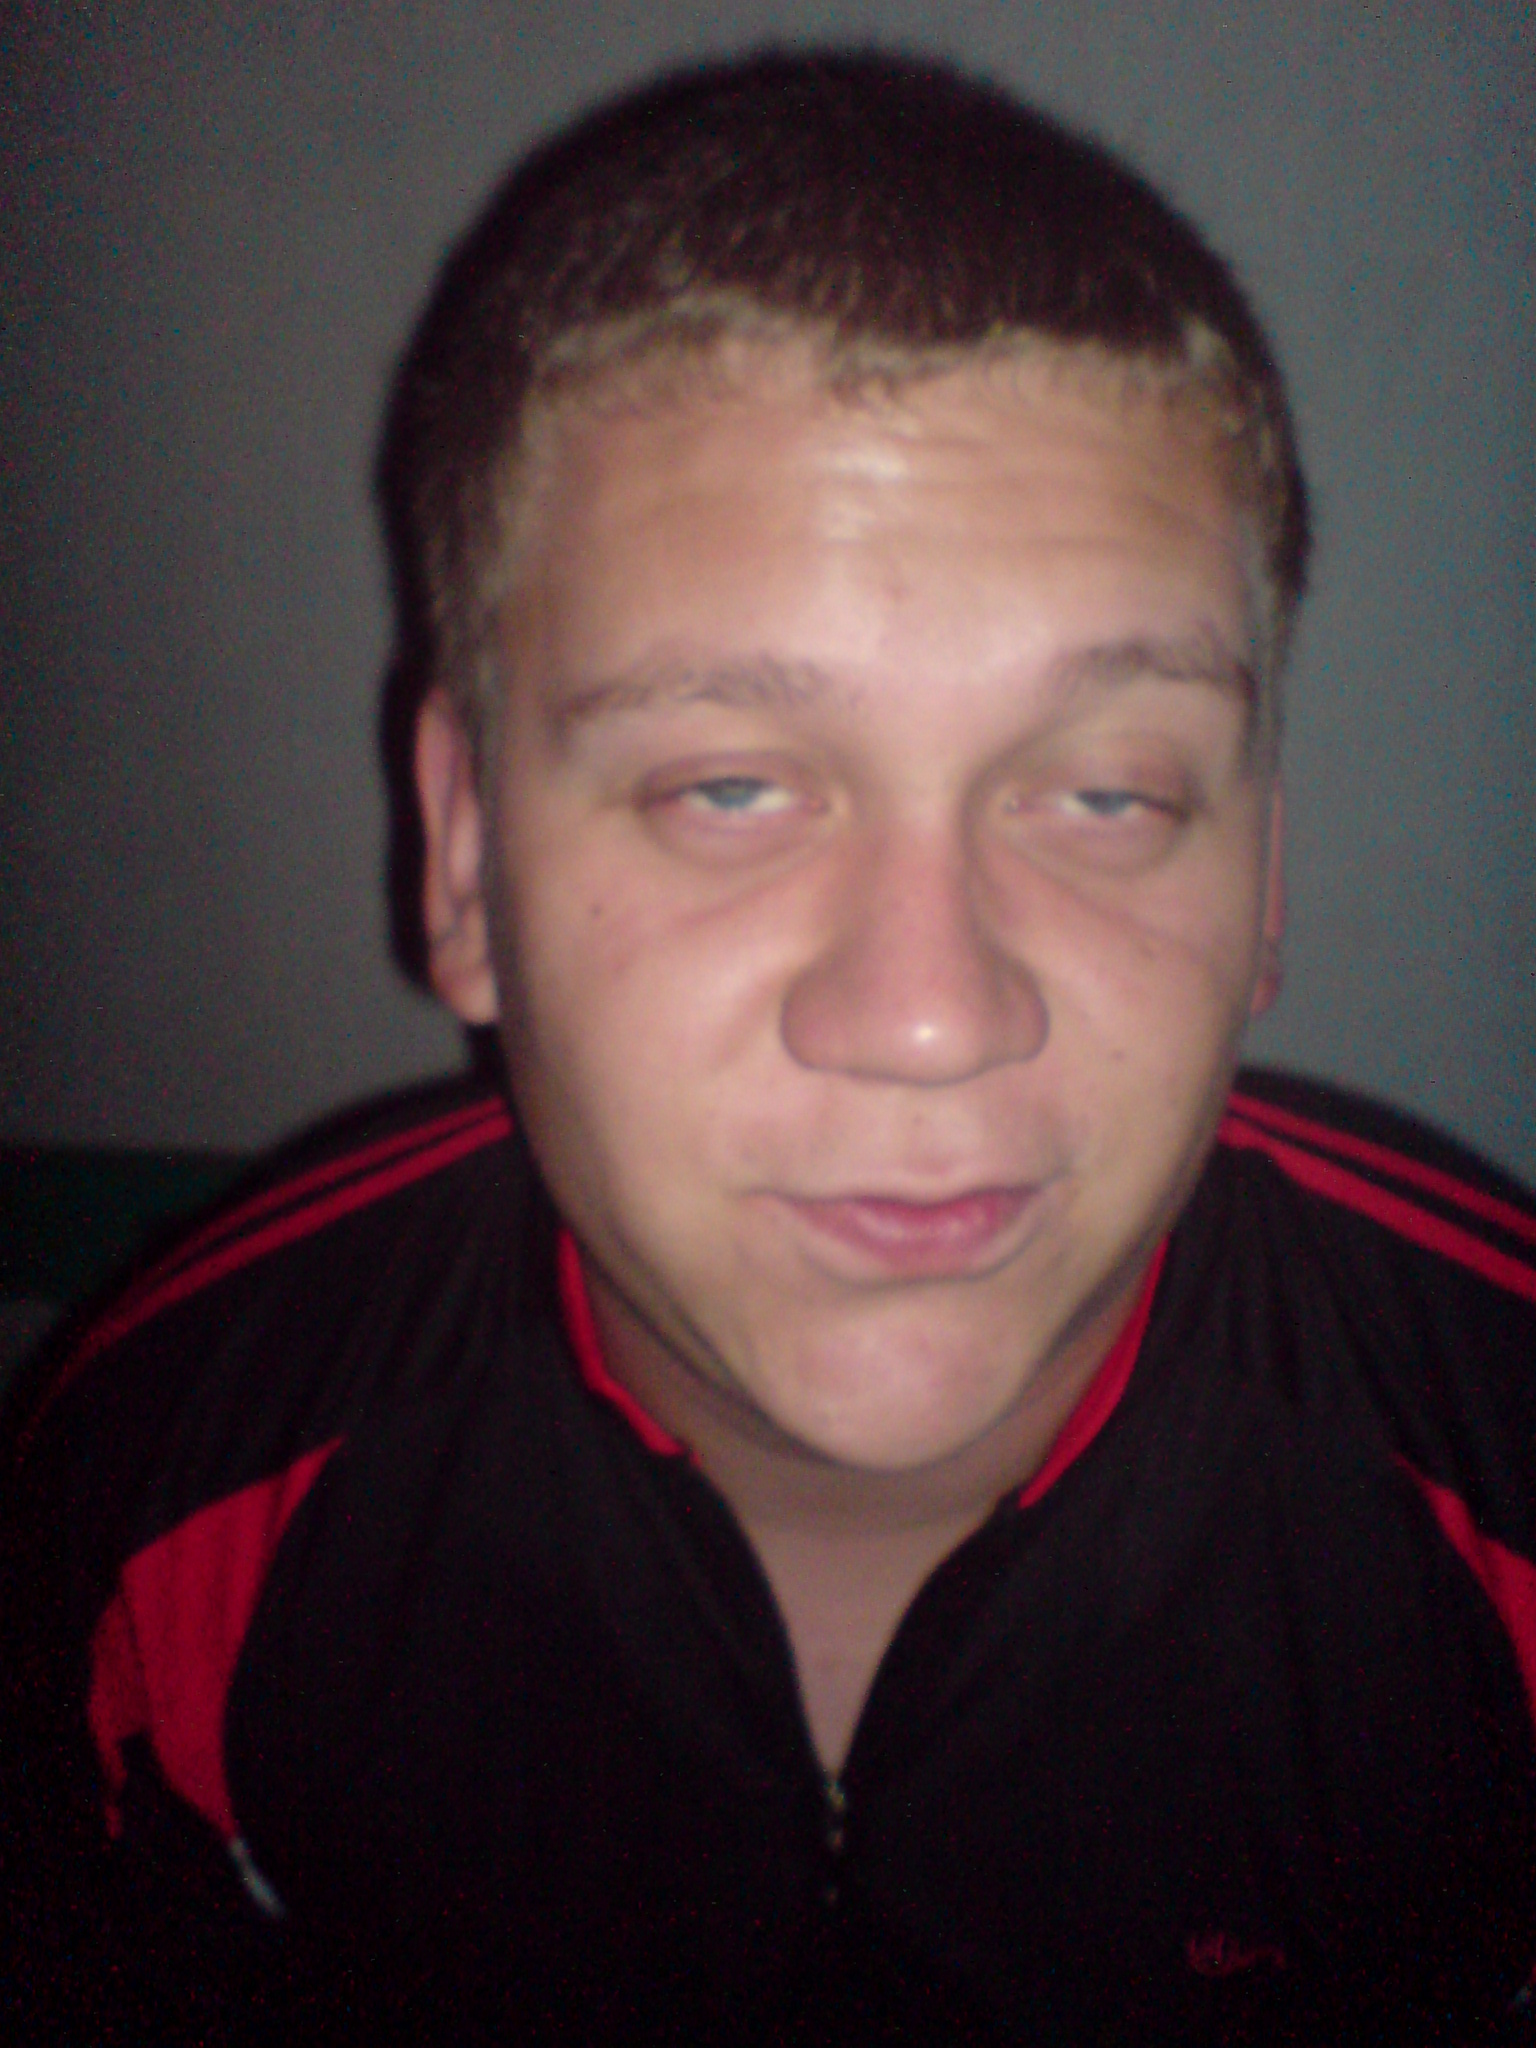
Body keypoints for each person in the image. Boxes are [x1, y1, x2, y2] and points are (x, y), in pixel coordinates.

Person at [3, 48, 1534, 2047]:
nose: (930, 1014)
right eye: (727, 786)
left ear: (1263, 880)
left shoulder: (1499, 1464)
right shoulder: (146, 1511)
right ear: (462, 857)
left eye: (1109, 794)